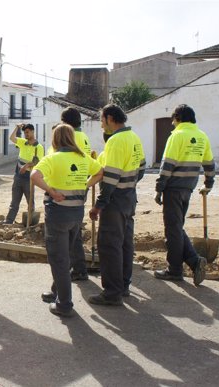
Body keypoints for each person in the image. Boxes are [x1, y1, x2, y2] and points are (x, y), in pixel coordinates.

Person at [31, 124, 103, 317]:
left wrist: (52, 191)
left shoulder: (53, 158)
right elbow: (99, 172)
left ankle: (64, 304)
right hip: (76, 215)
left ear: (55, 139)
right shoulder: (82, 158)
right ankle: (56, 291)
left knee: (59, 258)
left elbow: (34, 175)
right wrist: (85, 185)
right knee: (66, 254)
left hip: (58, 215)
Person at [88, 104, 146, 306]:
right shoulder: (134, 138)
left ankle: (112, 292)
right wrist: (129, 185)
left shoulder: (115, 141)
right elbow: (142, 168)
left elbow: (111, 177)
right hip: (129, 197)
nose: (101, 125)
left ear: (110, 118)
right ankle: (123, 285)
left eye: (102, 120)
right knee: (124, 243)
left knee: (109, 245)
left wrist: (98, 205)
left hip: (116, 200)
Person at [154, 104, 215, 286]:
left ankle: (175, 270)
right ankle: (194, 261)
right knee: (177, 227)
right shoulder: (202, 136)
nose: (172, 124)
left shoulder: (177, 136)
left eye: (173, 120)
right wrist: (208, 184)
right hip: (188, 187)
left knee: (173, 230)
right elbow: (210, 164)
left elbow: (167, 165)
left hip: (173, 187)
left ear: (178, 118)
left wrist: (159, 187)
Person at [60, 107, 94, 281]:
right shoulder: (84, 137)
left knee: (69, 232)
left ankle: (76, 269)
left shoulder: (69, 136)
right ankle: (78, 267)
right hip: (81, 186)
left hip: (68, 188)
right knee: (74, 230)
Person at [2, 123, 44, 224]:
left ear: (33, 131)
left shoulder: (39, 147)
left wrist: (26, 166)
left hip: (29, 178)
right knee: (14, 201)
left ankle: (31, 223)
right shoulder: (22, 142)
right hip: (18, 176)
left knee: (30, 202)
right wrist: (17, 127)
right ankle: (9, 221)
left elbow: (37, 162)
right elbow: (12, 138)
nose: (26, 134)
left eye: (28, 132)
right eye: (25, 132)